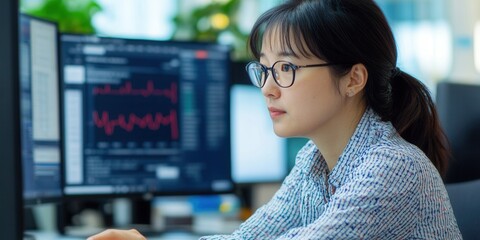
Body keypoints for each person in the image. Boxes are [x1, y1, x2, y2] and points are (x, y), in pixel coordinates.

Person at [87, 0, 462, 239]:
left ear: (353, 78)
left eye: (285, 67)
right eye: (264, 69)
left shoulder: (394, 167)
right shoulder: (313, 163)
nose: (267, 88)